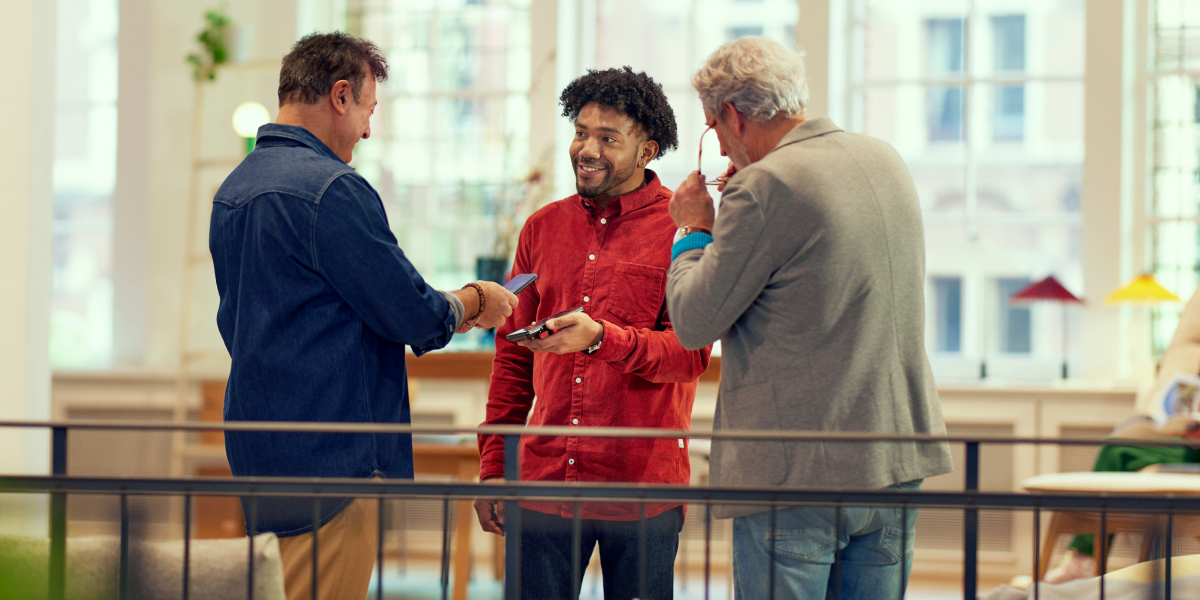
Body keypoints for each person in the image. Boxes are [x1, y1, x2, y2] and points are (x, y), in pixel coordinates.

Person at [209, 32, 518, 600]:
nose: (369, 131)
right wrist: (475, 300)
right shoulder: (332, 190)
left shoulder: (234, 187)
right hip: (333, 457)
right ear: (341, 95)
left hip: (259, 449)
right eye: (369, 112)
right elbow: (410, 312)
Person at [664, 37, 954, 600]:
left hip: (797, 474)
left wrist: (693, 229)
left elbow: (694, 321)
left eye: (714, 128)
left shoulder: (765, 185)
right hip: (895, 457)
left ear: (733, 115)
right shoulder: (883, 156)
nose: (720, 144)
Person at [473, 66, 712, 600]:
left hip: (642, 486)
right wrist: (493, 467)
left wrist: (602, 338)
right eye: (581, 132)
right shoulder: (541, 227)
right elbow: (511, 361)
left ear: (647, 151)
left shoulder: (684, 229)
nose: (588, 148)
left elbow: (689, 355)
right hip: (543, 483)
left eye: (609, 138)